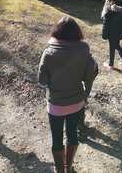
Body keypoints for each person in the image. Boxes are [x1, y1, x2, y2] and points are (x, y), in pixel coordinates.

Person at [38, 17, 98, 173]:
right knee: (72, 135)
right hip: (76, 103)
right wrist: (85, 94)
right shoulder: (84, 50)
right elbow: (89, 75)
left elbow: (42, 80)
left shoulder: (48, 52)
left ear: (56, 32)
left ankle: (60, 170)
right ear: (77, 32)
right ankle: (69, 166)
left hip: (55, 105)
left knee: (57, 140)